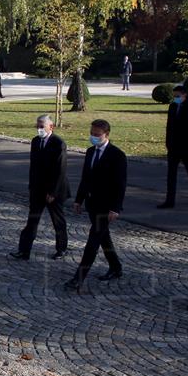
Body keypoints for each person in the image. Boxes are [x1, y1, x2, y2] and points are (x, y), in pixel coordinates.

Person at [65, 119, 127, 291]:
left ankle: (79, 278)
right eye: (92, 134)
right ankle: (116, 267)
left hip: (106, 207)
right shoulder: (91, 151)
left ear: (106, 135)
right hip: (92, 203)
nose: (93, 137)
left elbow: (120, 184)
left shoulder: (117, 155)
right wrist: (79, 199)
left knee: (93, 241)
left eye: (97, 135)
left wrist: (116, 208)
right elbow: (86, 178)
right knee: (103, 237)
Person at [10, 115, 70, 261]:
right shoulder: (36, 141)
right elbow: (34, 167)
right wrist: (32, 187)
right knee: (32, 220)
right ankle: (24, 251)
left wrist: (53, 192)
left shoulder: (58, 143)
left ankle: (61, 249)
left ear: (51, 127)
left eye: (42, 126)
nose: (39, 129)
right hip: (38, 189)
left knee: (58, 221)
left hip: (54, 190)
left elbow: (60, 170)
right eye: (37, 126)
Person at [158, 85, 188, 209]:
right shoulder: (173, 106)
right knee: (171, 174)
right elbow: (169, 126)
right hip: (173, 146)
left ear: (184, 95)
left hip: (187, 146)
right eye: (174, 96)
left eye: (178, 96)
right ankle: (169, 200)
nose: (175, 98)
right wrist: (167, 142)